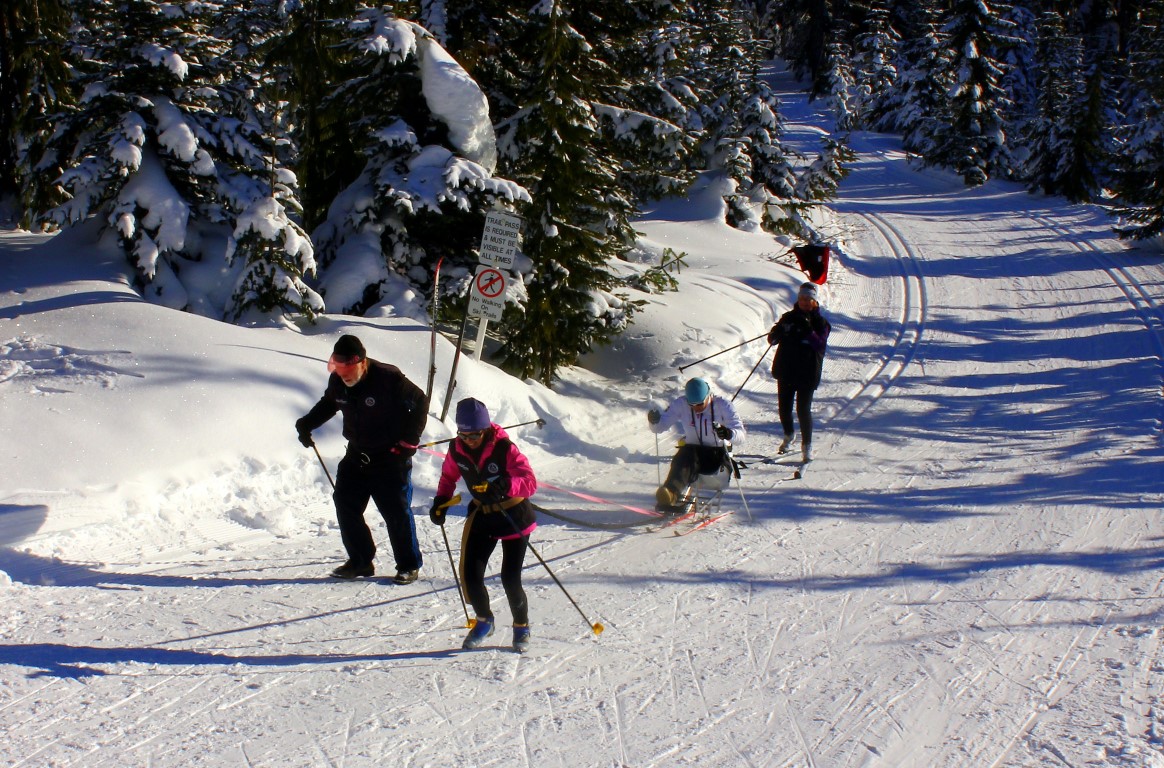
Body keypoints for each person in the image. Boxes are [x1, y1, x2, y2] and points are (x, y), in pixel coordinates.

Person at [295, 334, 428, 583]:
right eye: (339, 369)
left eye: (348, 369)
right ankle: (361, 561)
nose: (343, 375)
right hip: (357, 454)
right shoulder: (338, 381)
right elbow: (329, 403)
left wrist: (409, 441)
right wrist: (306, 423)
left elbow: (420, 402)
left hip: (390, 457)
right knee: (345, 503)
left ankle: (409, 564)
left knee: (395, 511)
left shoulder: (389, 378)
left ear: (362, 362)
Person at [429, 398, 538, 653]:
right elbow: (448, 476)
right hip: (483, 515)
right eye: (463, 435)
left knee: (510, 578)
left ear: (486, 429)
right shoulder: (457, 449)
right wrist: (441, 501)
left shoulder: (504, 448)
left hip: (513, 515)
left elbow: (530, 482)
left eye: (475, 435)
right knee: (470, 575)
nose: (469, 440)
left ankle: (521, 626)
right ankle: (484, 621)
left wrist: (505, 484)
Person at [647, 377, 745, 512]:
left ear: (708, 396)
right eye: (692, 405)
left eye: (699, 404)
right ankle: (670, 494)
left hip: (716, 456)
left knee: (689, 454)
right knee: (684, 455)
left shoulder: (723, 406)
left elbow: (741, 436)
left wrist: (728, 433)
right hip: (692, 454)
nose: (696, 408)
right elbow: (659, 428)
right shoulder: (680, 404)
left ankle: (672, 494)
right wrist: (654, 421)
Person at [767, 282, 831, 462]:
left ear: (815, 301)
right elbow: (772, 340)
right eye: (801, 298)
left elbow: (820, 345)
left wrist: (808, 330)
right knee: (784, 408)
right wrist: (777, 332)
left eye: (808, 299)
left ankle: (807, 446)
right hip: (786, 369)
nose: (803, 301)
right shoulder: (788, 317)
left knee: (803, 410)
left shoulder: (821, 323)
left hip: (807, 372)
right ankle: (788, 435)